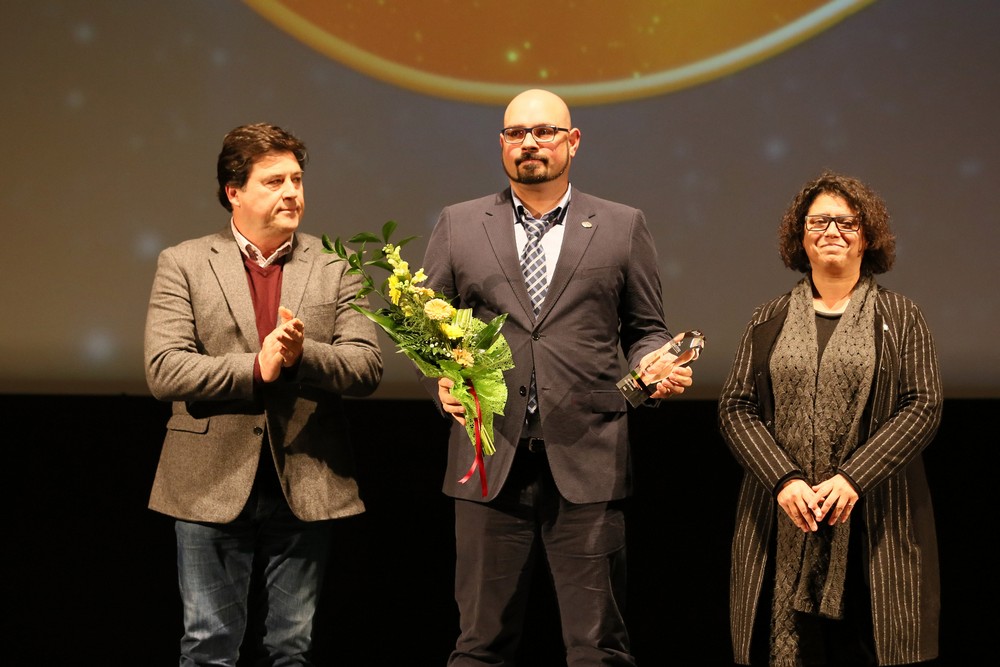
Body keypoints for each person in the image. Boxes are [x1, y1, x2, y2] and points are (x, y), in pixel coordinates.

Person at [421, 88, 693, 666]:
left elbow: (646, 327)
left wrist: (651, 362)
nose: (530, 143)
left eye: (544, 132)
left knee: (598, 648)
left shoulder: (622, 225)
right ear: (501, 144)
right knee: (478, 645)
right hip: (488, 457)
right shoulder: (459, 223)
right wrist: (441, 380)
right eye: (516, 133)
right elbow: (427, 329)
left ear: (572, 141)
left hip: (590, 456)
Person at [144, 122, 383, 665]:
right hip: (209, 479)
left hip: (305, 477)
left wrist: (303, 357)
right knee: (208, 646)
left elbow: (367, 366)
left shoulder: (335, 264)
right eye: (274, 181)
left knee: (291, 648)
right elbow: (164, 369)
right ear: (234, 191)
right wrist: (258, 366)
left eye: (297, 179)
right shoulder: (184, 263)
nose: (292, 193)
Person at [718, 171, 943, 666]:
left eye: (846, 222)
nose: (832, 232)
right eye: (818, 222)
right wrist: (784, 480)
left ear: (867, 235)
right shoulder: (766, 318)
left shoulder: (903, 317)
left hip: (873, 523)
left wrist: (852, 478)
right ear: (801, 235)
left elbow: (923, 404)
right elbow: (735, 406)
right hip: (783, 517)